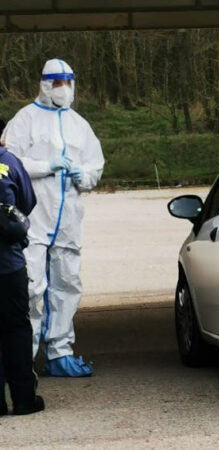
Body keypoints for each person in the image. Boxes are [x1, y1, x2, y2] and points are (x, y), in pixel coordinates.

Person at [2, 58, 105, 377]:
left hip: (68, 220)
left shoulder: (79, 124)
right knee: (31, 288)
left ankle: (60, 352)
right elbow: (8, 162)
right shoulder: (24, 120)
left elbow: (95, 167)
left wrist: (81, 174)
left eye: (68, 82)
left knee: (67, 284)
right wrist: (47, 165)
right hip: (34, 220)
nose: (64, 89)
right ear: (45, 85)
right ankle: (24, 358)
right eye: (58, 83)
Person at [0, 143, 45, 415]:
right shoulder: (10, 162)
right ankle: (24, 399)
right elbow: (27, 202)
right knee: (16, 329)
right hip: (8, 263)